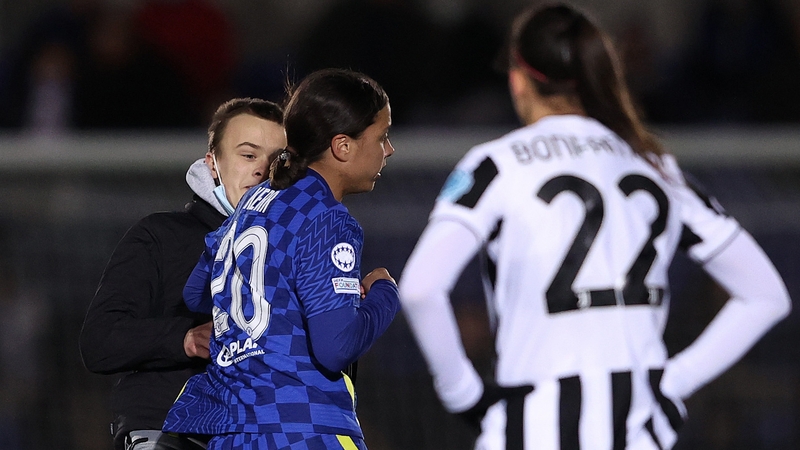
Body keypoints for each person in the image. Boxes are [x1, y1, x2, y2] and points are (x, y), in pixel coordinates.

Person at [398, 3, 792, 450]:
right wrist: (674, 381)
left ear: (518, 79)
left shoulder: (496, 165)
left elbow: (420, 289)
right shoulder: (657, 168)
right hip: (637, 434)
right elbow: (766, 295)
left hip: (532, 431)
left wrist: (463, 394)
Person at [162, 69, 401, 450]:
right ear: (342, 146)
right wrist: (384, 295)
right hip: (300, 428)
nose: (388, 150)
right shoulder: (327, 218)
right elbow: (336, 346)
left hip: (233, 433)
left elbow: (197, 293)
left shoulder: (250, 204)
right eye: (382, 136)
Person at [79, 97, 286, 450]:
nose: (261, 169)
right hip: (166, 431)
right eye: (248, 155)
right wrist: (184, 338)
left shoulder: (296, 249)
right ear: (213, 163)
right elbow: (100, 341)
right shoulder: (159, 235)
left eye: (277, 160)